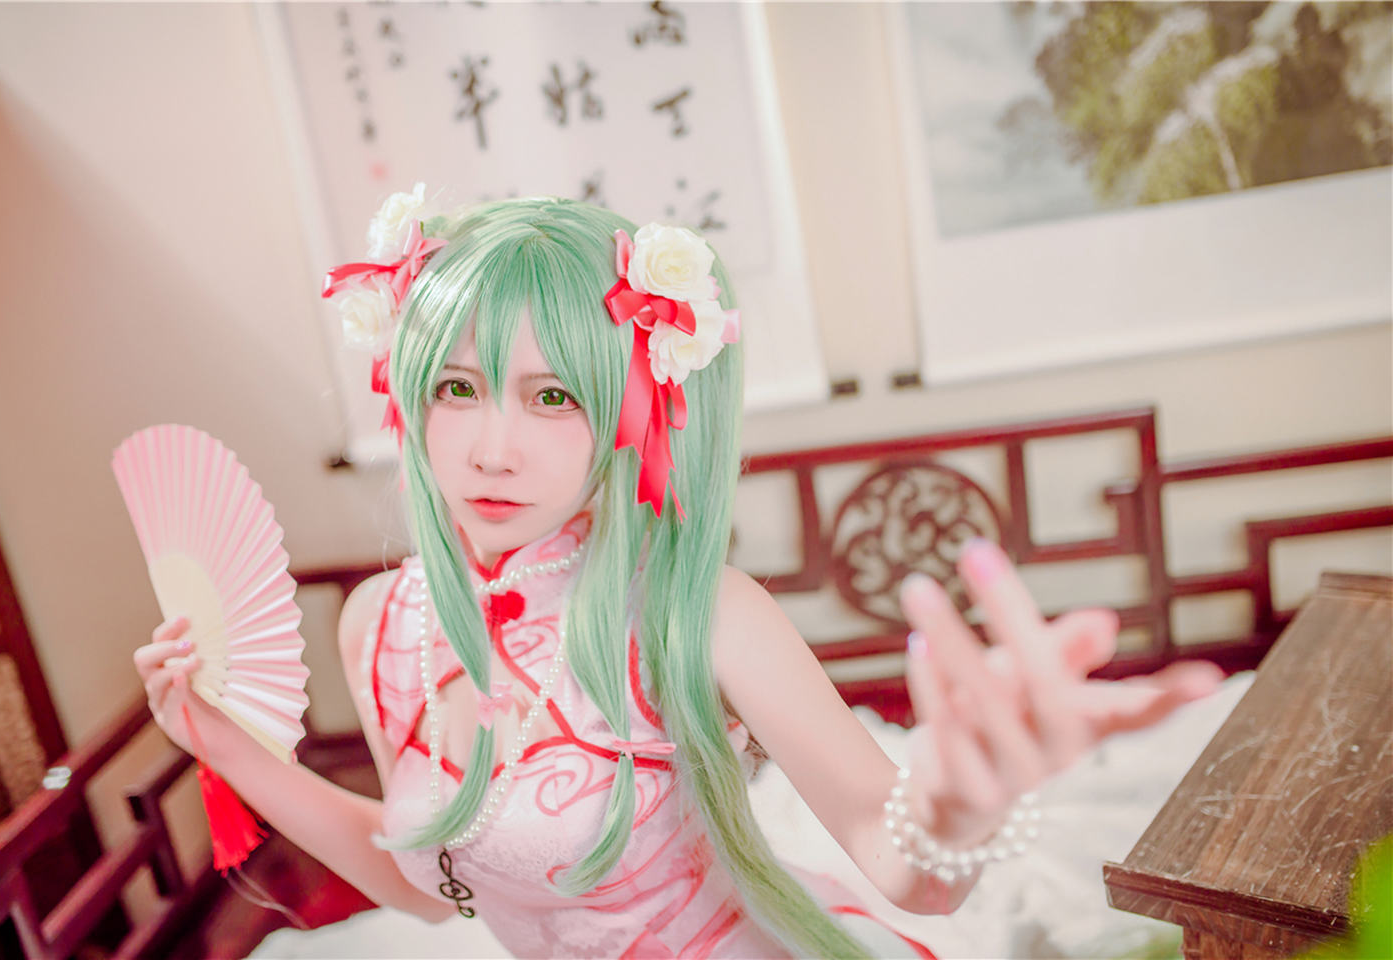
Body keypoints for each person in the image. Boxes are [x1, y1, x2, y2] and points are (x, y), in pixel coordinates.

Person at [135, 195, 1221, 958]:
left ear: (631, 412)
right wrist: (224, 744)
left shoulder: (697, 613)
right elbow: (429, 891)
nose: (492, 449)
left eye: (554, 396)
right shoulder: (380, 625)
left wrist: (960, 805)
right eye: (457, 388)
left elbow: (908, 872)